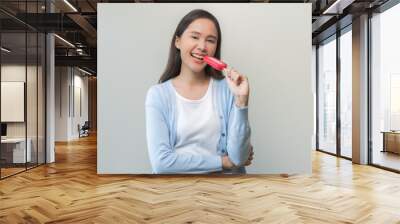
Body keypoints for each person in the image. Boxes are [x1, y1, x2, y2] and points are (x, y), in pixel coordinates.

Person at [145, 9, 253, 174]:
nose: (202, 47)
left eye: (210, 40)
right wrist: (223, 162)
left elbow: (238, 158)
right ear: (178, 41)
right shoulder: (158, 95)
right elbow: (161, 164)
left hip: (225, 193)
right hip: (175, 192)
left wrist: (241, 101)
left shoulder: (228, 89)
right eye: (195, 37)